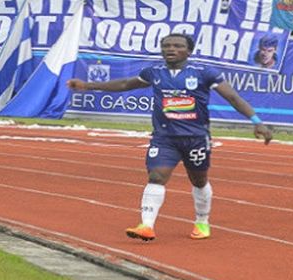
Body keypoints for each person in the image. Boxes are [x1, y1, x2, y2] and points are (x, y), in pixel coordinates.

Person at [66, 34, 272, 241]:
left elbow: (233, 97)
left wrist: (257, 121)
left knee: (199, 181)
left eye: (177, 46)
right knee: (156, 176)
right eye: (166, 46)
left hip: (196, 137)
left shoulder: (205, 73)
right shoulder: (154, 72)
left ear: (189, 51)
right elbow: (125, 84)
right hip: (164, 137)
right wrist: (87, 86)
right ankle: (146, 226)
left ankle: (202, 221)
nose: (170, 49)